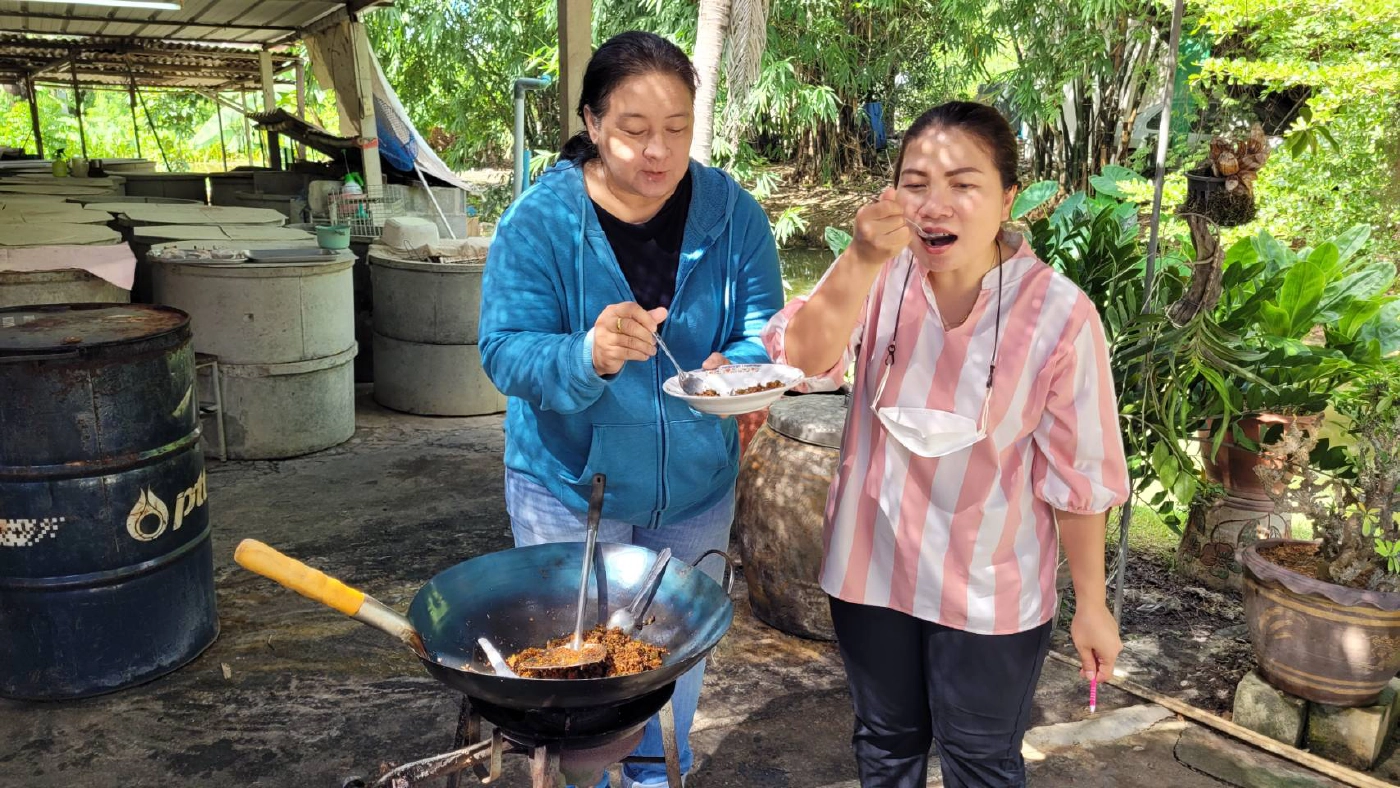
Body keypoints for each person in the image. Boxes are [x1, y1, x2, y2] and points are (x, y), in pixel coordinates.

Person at [761, 101, 1129, 788]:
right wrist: (863, 255)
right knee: (885, 747)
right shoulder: (879, 273)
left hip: (991, 589)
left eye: (964, 184)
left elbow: (1079, 476)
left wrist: (1093, 605)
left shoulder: (1059, 315)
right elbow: (804, 361)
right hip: (871, 570)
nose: (936, 206)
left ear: (1008, 197)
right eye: (916, 183)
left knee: (981, 761)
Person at [478, 30, 784, 788]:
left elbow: (761, 328)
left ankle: (653, 778)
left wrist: (736, 372)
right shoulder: (541, 224)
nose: (659, 152)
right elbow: (505, 350)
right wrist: (587, 354)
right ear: (591, 122)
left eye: (677, 129)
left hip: (696, 484)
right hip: (569, 488)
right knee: (583, 671)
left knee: (670, 658)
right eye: (635, 131)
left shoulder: (731, 213)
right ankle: (588, 776)